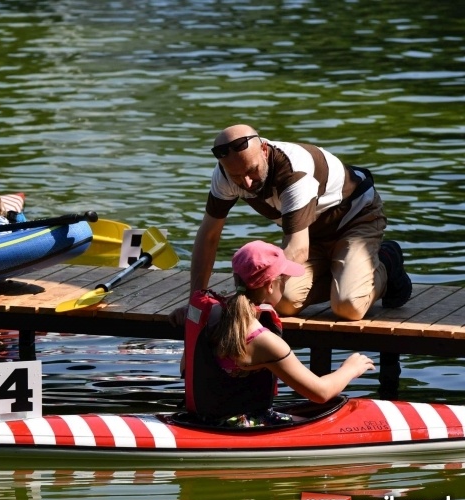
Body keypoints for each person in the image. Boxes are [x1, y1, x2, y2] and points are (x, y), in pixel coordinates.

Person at [170, 124, 412, 324]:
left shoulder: (294, 171)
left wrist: (246, 298)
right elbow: (209, 235)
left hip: (355, 220)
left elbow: (297, 249)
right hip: (310, 232)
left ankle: (387, 261)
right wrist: (196, 303)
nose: (246, 181)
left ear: (264, 149)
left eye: (252, 170)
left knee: (348, 307)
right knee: (282, 302)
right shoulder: (225, 174)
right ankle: (345, 271)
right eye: (236, 176)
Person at [182, 240, 375, 427]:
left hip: (201, 419)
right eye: (284, 280)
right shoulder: (262, 340)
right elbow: (321, 393)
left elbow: (185, 366)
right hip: (237, 428)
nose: (286, 285)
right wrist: (351, 368)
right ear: (271, 286)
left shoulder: (211, 315)